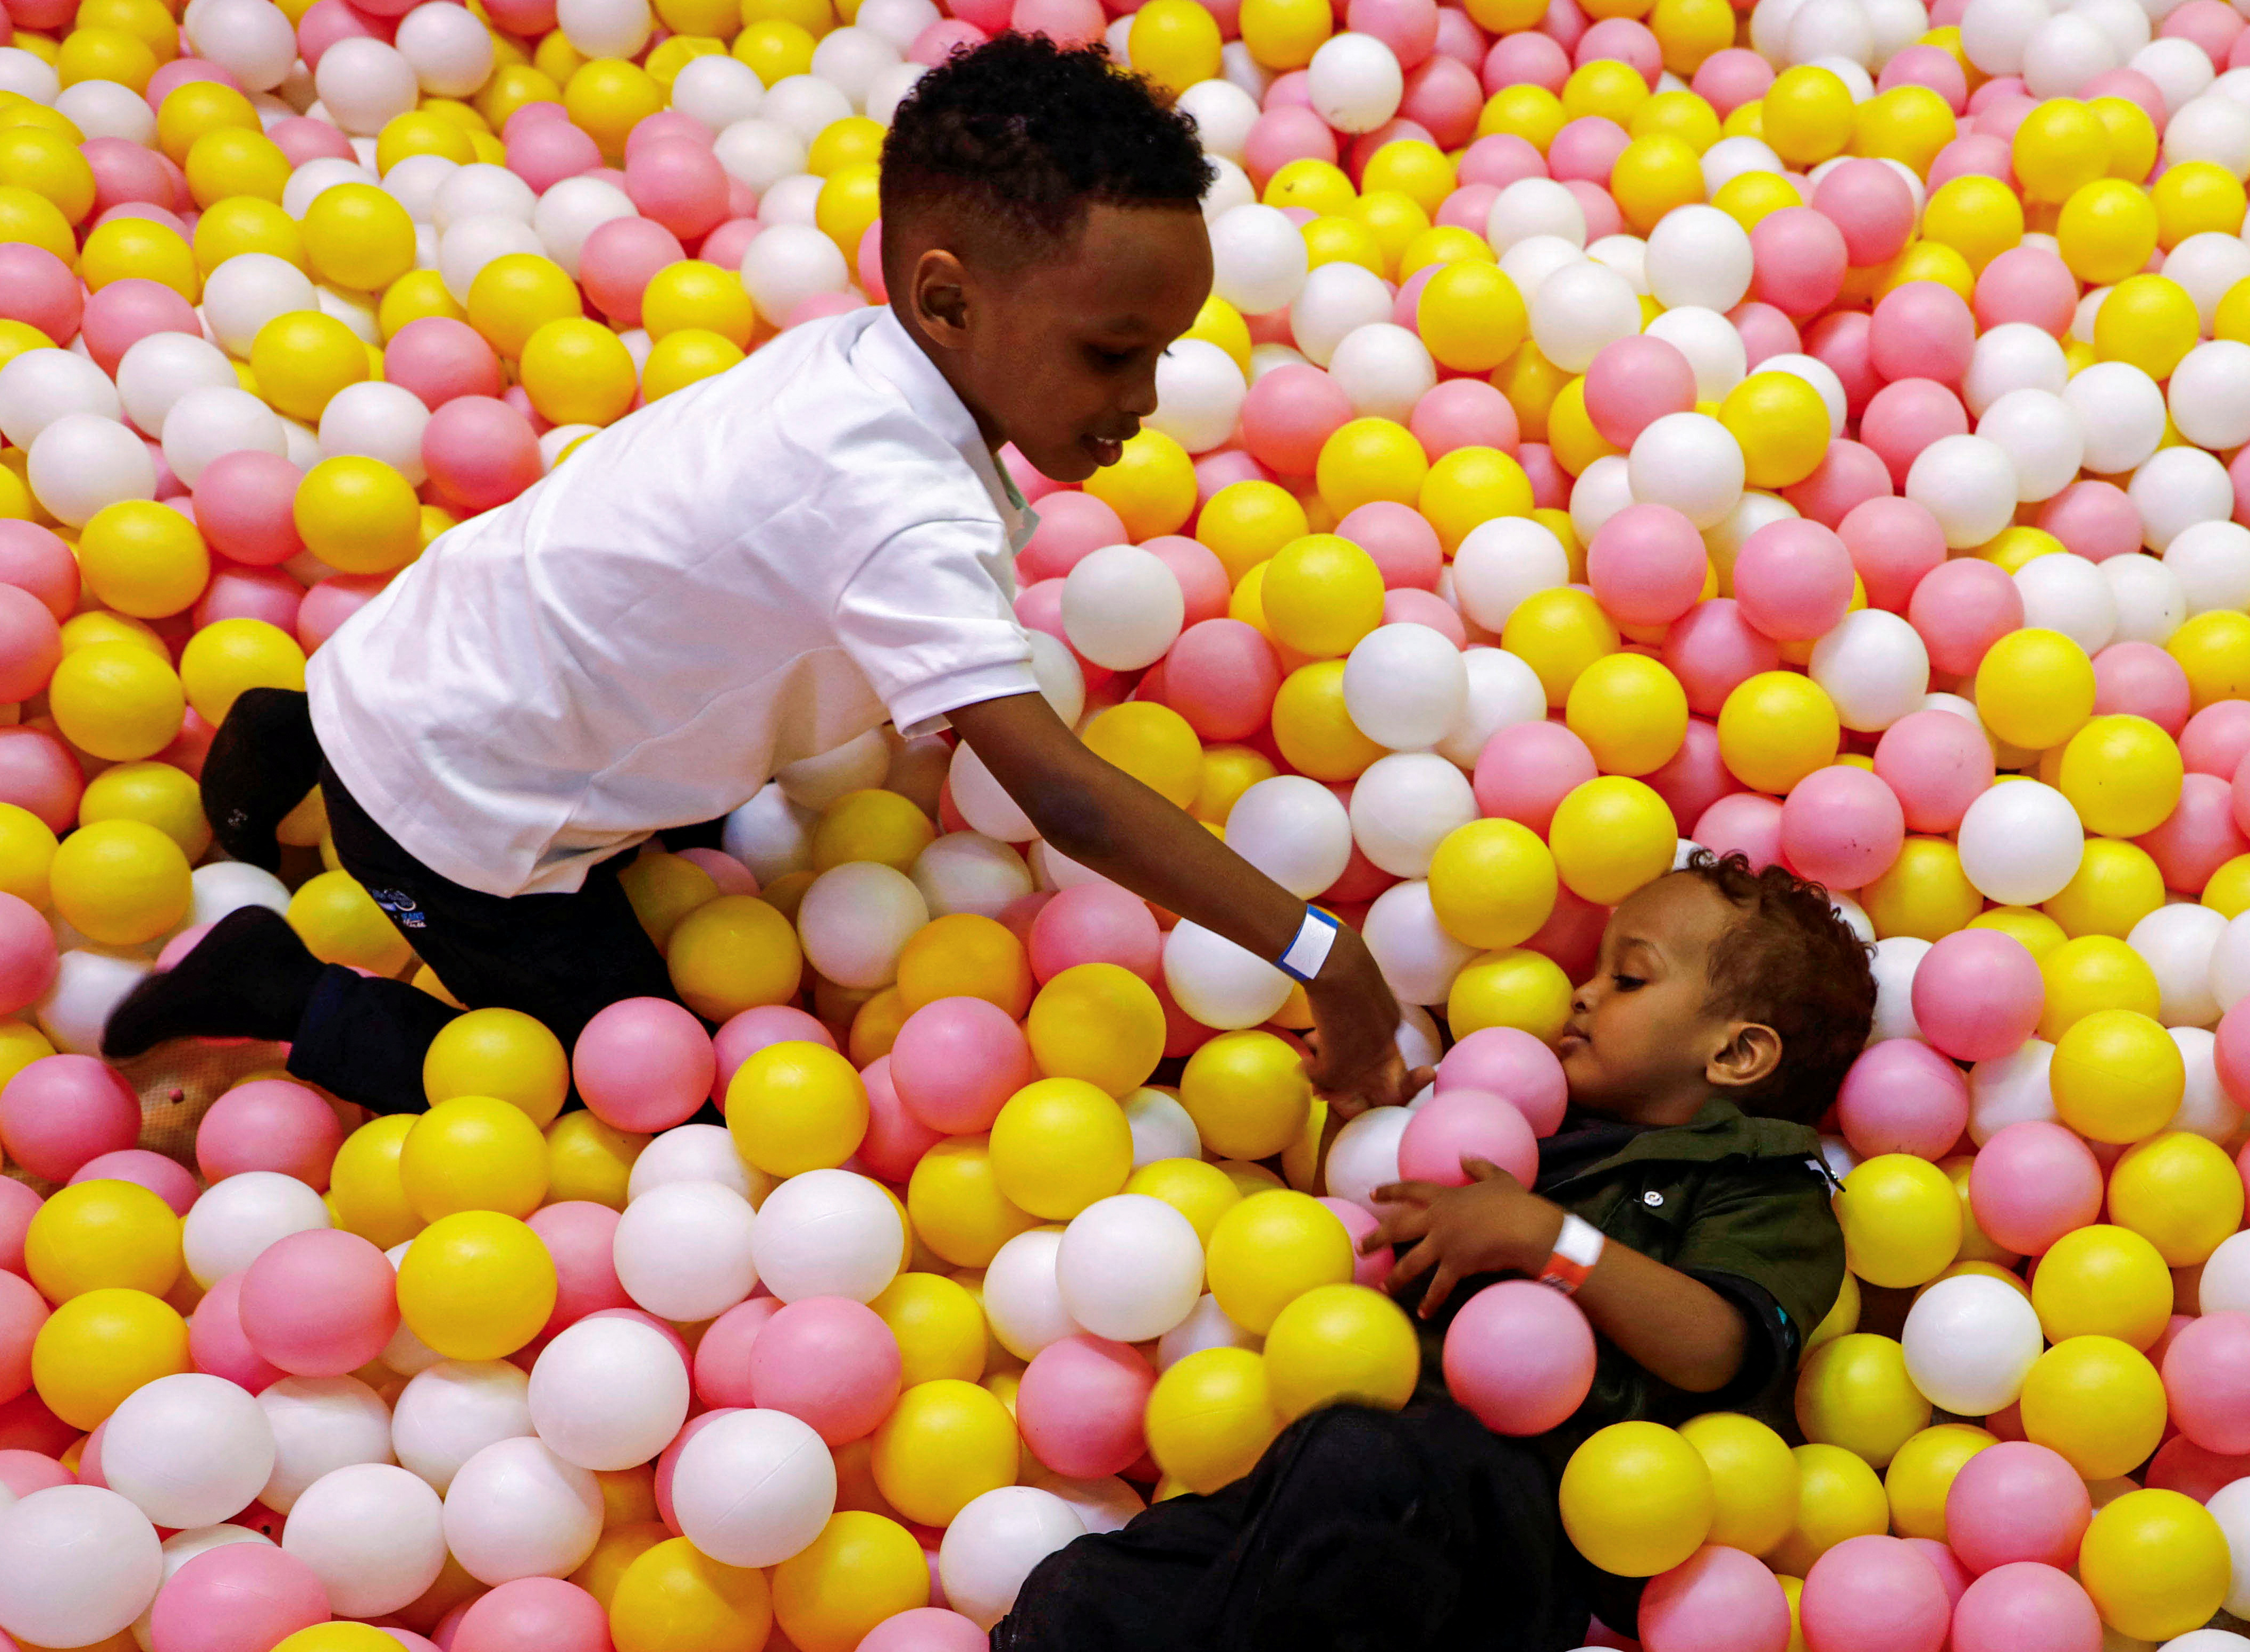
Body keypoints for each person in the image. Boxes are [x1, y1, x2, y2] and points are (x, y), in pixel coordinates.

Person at [102, 34, 1407, 1119]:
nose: (1144, 400)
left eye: (1159, 355)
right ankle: (280, 988)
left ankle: (286, 733)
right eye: (1111, 354)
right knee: (625, 1085)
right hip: (456, 799)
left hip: (437, 649)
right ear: (948, 302)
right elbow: (1065, 797)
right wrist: (1325, 956)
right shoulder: (891, 506)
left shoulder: (869, 357)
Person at [995, 850, 1876, 1652]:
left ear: (1737, 1053)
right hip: (1344, 1481)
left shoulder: (1763, 1181)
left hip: (1527, 1517)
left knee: (1359, 1462)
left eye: (1630, 978)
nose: (1582, 993)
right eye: (1594, 969)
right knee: (1082, 1588)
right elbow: (1373, 1247)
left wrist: (1549, 1241)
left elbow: (1718, 1345)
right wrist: (1371, 1134)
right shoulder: (1525, 1122)